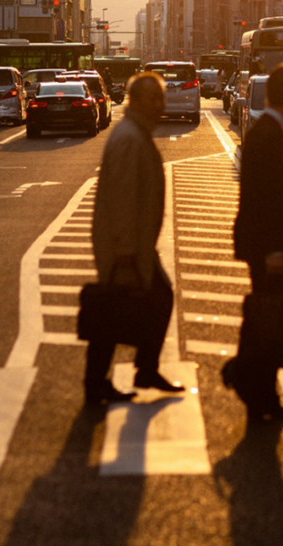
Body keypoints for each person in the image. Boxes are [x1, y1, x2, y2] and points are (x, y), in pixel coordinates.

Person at [86, 72, 185, 406]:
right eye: (156, 98)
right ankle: (110, 379)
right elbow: (124, 196)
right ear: (140, 100)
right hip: (124, 247)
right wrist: (126, 252)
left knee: (117, 311)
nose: (162, 105)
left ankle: (130, 372)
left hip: (132, 244)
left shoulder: (134, 133)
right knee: (124, 309)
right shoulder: (130, 138)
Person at [227, 63, 283, 423]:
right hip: (272, 250)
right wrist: (276, 250)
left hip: (271, 248)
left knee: (273, 316)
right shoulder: (267, 136)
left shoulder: (267, 131)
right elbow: (266, 199)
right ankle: (248, 376)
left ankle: (257, 386)